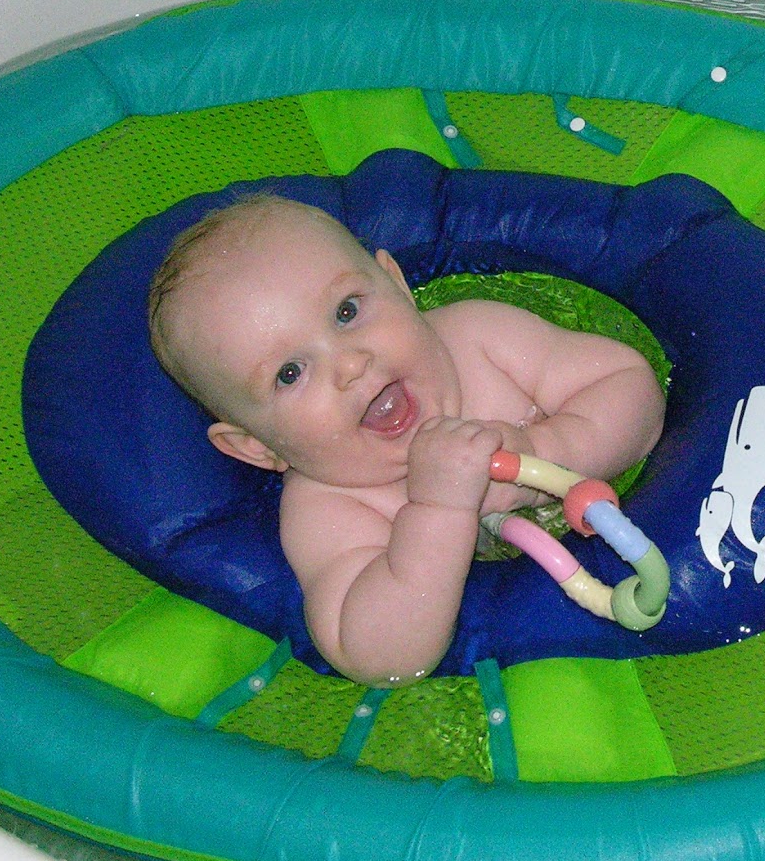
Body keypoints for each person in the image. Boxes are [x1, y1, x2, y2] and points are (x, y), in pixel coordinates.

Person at [148, 194, 665, 685]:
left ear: (396, 284)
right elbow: (377, 657)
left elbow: (630, 386)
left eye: (347, 312)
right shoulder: (329, 508)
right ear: (257, 447)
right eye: (290, 373)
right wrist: (439, 512)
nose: (351, 365)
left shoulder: (479, 339)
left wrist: (546, 451)